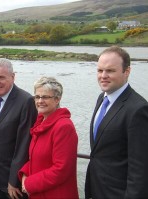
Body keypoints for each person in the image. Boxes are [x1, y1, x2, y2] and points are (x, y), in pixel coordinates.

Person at [85, 46, 148, 199]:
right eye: (100, 71)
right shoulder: (102, 98)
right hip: (96, 189)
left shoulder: (138, 109)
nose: (103, 76)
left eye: (110, 71)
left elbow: (140, 168)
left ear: (126, 72)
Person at [0, 58, 37, 199]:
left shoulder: (26, 101)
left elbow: (24, 144)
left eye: (1, 77)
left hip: (13, 182)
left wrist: (14, 180)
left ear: (13, 77)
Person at [18, 77, 79, 199]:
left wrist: (29, 184)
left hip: (56, 194)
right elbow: (36, 158)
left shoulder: (64, 127)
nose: (40, 101)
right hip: (40, 192)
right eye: (37, 97)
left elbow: (61, 170)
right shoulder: (41, 122)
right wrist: (25, 173)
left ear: (57, 99)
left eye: (45, 97)